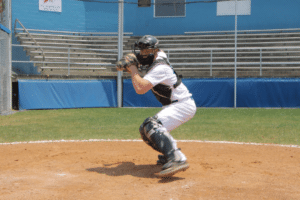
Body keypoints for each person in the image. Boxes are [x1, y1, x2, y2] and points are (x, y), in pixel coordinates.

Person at [118, 35, 197, 177]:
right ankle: (169, 154)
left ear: (155, 50)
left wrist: (132, 68)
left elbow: (140, 89)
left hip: (182, 105)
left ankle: (177, 158)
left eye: (146, 51)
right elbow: (141, 58)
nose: (143, 54)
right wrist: (131, 60)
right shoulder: (158, 55)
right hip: (175, 105)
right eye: (141, 51)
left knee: (151, 125)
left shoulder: (160, 67)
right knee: (144, 130)